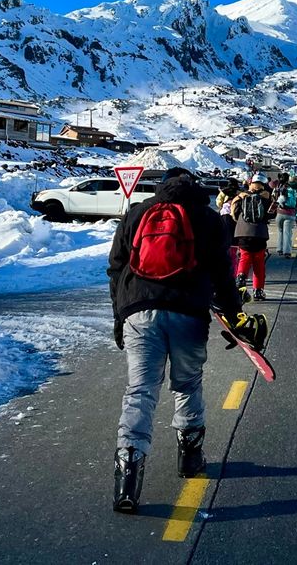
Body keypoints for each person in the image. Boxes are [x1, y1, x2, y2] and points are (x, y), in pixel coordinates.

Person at [107, 167, 260, 513]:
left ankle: (127, 476)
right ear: (194, 187)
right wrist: (235, 316)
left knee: (140, 391)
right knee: (187, 384)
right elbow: (223, 273)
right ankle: (189, 458)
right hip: (189, 314)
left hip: (138, 311)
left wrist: (120, 318)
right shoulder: (207, 218)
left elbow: (116, 269)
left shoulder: (137, 213)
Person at [233, 171, 273, 300]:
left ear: (251, 183)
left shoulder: (241, 197)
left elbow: (234, 212)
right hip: (260, 233)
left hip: (243, 232)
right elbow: (271, 215)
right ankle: (258, 291)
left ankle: (241, 276)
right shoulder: (266, 198)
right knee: (258, 262)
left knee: (245, 256)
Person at [272, 173, 297, 259]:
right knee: (287, 233)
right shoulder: (296, 191)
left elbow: (277, 198)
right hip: (290, 214)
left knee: (280, 231)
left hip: (280, 213)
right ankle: (287, 251)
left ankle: (279, 249)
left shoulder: (283, 187)